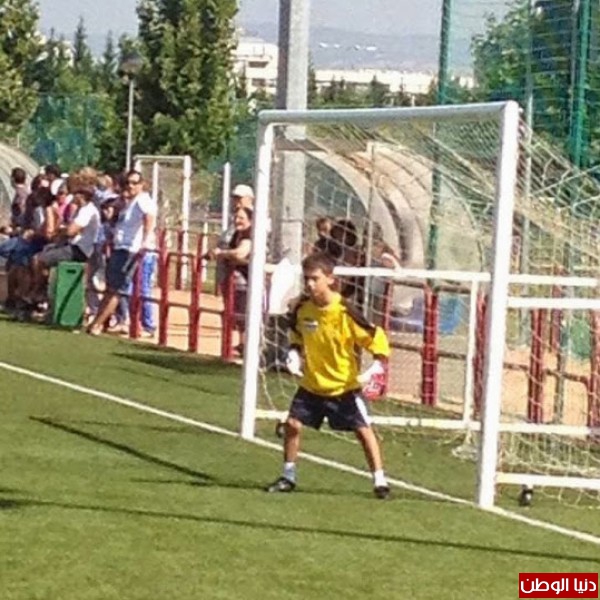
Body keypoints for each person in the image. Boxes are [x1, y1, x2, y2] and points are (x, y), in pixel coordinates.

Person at [266, 252, 391, 499]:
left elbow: (373, 336)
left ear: (330, 279)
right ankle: (288, 476)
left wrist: (379, 362)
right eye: (307, 279)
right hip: (312, 384)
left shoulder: (345, 311)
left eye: (315, 279)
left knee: (363, 430)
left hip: (343, 387)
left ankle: (380, 480)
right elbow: (296, 332)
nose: (310, 284)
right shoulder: (303, 308)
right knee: (292, 424)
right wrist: (294, 351)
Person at [86, 170, 157, 335]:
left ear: (142, 184)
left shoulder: (143, 200)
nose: (130, 186)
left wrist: (145, 240)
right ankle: (98, 322)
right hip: (121, 247)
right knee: (111, 288)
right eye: (127, 183)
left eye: (134, 183)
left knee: (118, 289)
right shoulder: (129, 202)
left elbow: (149, 218)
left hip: (130, 249)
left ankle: (99, 324)